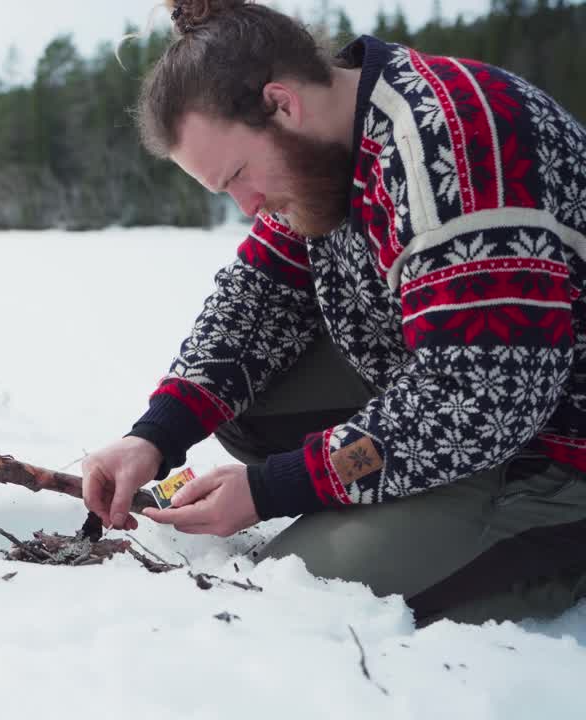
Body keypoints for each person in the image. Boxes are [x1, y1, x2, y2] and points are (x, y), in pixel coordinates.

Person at [81, 0, 586, 625]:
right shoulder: (333, 142)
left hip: (555, 447)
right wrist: (154, 435)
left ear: (282, 103)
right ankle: (410, 486)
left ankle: (545, 550)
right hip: (467, 398)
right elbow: (257, 301)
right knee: (239, 411)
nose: (248, 205)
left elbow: (482, 399)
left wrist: (279, 487)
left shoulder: (450, 149)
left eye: (240, 174)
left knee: (299, 587)